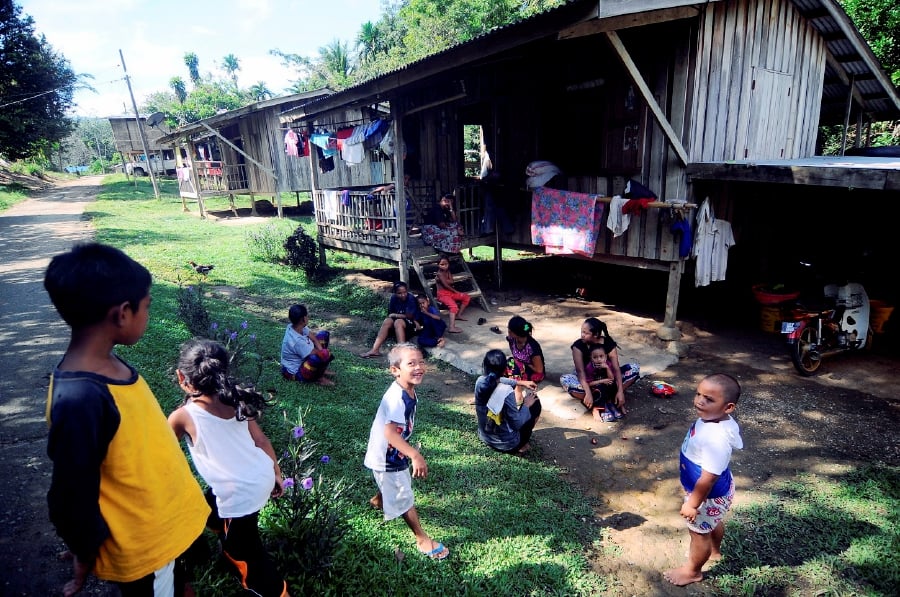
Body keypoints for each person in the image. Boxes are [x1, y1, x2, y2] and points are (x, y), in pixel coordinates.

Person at [43, 242, 210, 596]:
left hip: (165, 527)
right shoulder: (80, 400)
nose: (148, 315)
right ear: (121, 314)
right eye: (147, 307)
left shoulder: (109, 364)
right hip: (145, 547)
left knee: (180, 585)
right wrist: (83, 552)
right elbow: (70, 495)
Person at [169, 339, 290, 597]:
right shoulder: (235, 399)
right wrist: (276, 473)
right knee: (209, 505)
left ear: (182, 377)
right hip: (260, 475)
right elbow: (261, 440)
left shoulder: (182, 417)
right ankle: (215, 533)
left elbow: (162, 453)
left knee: (244, 553)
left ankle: (275, 591)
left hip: (240, 492)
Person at [363, 343, 450, 560]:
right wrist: (414, 454)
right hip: (387, 457)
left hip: (392, 453)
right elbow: (390, 434)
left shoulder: (407, 389)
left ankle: (379, 500)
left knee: (395, 486)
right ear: (395, 370)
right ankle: (422, 539)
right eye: (411, 363)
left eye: (421, 361)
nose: (419, 367)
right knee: (403, 495)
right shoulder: (396, 398)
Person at [664, 373, 743, 587]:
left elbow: (707, 480)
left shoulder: (715, 439)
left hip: (707, 495)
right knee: (712, 522)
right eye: (698, 394)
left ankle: (693, 571)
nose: (700, 400)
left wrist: (692, 504)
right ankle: (714, 552)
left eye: (709, 399)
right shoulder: (715, 419)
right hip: (716, 490)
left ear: (728, 407)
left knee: (698, 533)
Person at [560, 317, 640, 415]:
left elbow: (616, 369)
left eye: (586, 333)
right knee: (565, 379)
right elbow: (580, 372)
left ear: (596, 334)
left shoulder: (608, 344)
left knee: (634, 368)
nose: (582, 335)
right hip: (589, 382)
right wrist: (588, 393)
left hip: (609, 380)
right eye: (582, 332)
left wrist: (620, 392)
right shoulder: (578, 346)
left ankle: (608, 396)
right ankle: (599, 398)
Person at [474, 349, 541, 455]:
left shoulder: (480, 382)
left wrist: (519, 382)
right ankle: (522, 445)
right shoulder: (506, 392)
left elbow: (496, 379)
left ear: (484, 365)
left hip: (485, 437)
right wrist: (527, 405)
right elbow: (516, 424)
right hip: (507, 445)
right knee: (535, 404)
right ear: (505, 369)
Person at [359, 281, 420, 358]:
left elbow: (410, 316)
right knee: (387, 321)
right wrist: (395, 316)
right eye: (399, 293)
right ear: (395, 293)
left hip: (412, 324)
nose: (403, 295)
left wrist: (396, 315)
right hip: (398, 324)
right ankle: (375, 349)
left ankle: (402, 351)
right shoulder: (393, 298)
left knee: (398, 322)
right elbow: (390, 314)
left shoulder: (410, 299)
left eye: (405, 292)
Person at [280, 303, 335, 386]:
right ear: (304, 319)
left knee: (324, 334)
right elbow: (314, 353)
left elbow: (312, 337)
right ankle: (319, 378)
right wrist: (324, 354)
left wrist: (321, 350)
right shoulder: (296, 341)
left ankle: (321, 370)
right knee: (321, 356)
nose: (308, 317)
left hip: (304, 357)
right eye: (307, 315)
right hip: (295, 372)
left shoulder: (296, 326)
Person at [585, 345, 623, 422]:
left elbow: (611, 378)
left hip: (606, 386)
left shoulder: (607, 364)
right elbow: (588, 384)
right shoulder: (589, 367)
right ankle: (601, 409)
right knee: (601, 388)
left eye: (601, 356)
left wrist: (607, 368)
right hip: (596, 388)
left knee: (613, 384)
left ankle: (610, 404)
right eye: (595, 357)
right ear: (591, 358)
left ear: (605, 357)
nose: (599, 359)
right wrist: (602, 381)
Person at [434, 255, 470, 333]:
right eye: (442, 264)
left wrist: (446, 281)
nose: (444, 266)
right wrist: (456, 291)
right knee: (454, 306)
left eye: (446, 264)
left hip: (450, 293)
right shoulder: (439, 274)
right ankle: (451, 327)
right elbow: (446, 285)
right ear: (438, 265)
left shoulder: (448, 272)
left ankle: (459, 315)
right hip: (442, 294)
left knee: (466, 297)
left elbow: (452, 281)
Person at [505, 315, 545, 383]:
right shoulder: (511, 339)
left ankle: (518, 382)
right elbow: (514, 356)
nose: (508, 331)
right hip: (519, 365)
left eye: (510, 331)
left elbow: (539, 370)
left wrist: (525, 364)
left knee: (512, 370)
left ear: (517, 333)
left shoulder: (532, 347)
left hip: (531, 370)